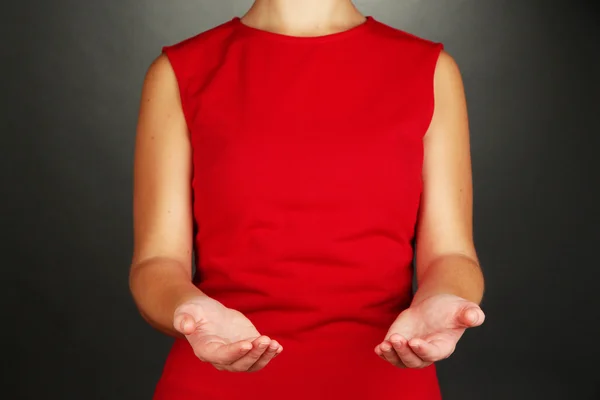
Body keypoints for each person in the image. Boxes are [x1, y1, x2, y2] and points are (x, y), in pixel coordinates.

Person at [129, 0, 486, 398]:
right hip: (216, 384)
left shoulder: (430, 70)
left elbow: (452, 255)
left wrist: (442, 301)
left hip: (386, 382)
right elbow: (156, 262)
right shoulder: (182, 71)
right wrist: (188, 312)